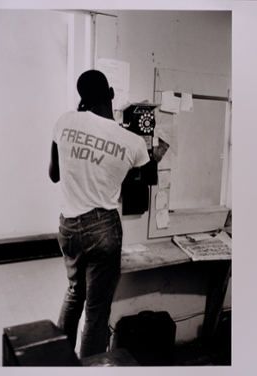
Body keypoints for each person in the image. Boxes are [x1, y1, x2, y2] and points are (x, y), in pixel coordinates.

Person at [48, 70, 150, 358]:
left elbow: (54, 174)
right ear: (112, 93)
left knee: (73, 293)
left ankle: (58, 361)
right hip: (103, 227)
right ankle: (89, 368)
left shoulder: (65, 121)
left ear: (82, 97)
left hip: (68, 226)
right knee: (95, 310)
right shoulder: (133, 142)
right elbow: (141, 178)